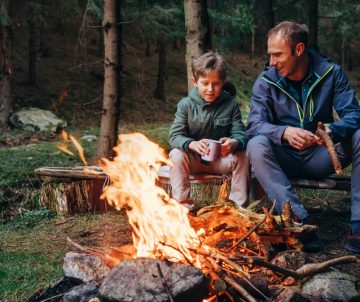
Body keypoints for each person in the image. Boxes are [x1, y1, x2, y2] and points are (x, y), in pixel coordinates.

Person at [246, 21, 360, 253]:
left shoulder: (331, 73)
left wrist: (332, 131)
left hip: (321, 156)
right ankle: (297, 221)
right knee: (256, 144)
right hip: (282, 158)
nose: (271, 62)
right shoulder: (266, 81)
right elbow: (254, 125)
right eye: (270, 55)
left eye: (278, 54)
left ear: (298, 50)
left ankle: (358, 227)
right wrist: (283, 132)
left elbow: (354, 114)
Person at [168, 51, 250, 211]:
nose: (210, 89)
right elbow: (174, 136)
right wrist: (192, 144)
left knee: (243, 155)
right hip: (193, 161)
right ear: (195, 81)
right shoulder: (185, 105)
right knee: (175, 155)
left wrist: (233, 143)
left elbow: (241, 135)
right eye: (205, 83)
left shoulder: (231, 105)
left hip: (221, 161)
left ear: (223, 82)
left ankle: (238, 209)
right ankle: (183, 208)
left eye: (216, 83)